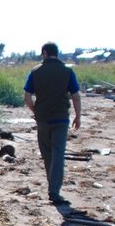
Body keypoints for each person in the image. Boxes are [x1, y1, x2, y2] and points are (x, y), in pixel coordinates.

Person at [23, 42, 82, 205]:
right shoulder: (67, 71)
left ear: (44, 53)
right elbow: (75, 96)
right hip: (61, 118)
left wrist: (36, 111)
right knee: (58, 153)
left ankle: (52, 187)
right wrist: (78, 116)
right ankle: (54, 190)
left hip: (43, 119)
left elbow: (27, 97)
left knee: (47, 153)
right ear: (57, 53)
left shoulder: (35, 72)